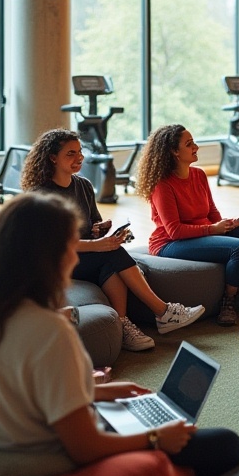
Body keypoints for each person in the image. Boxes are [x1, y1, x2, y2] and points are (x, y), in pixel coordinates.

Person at [0, 193, 239, 476]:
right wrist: (156, 438)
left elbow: (19, 392)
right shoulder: (49, 330)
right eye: (71, 245)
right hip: (22, 462)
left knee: (131, 416)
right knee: (224, 443)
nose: (75, 257)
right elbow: (85, 448)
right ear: (55, 256)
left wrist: (100, 393)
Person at [22, 129, 204, 350]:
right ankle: (163, 312)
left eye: (80, 152)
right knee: (112, 255)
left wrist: (100, 230)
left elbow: (92, 226)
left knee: (112, 263)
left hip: (84, 255)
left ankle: (122, 325)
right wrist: (96, 245)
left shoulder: (84, 186)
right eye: (70, 154)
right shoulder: (41, 195)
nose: (79, 158)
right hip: (55, 262)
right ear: (52, 158)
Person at [136, 124, 239, 327]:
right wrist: (213, 230)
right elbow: (174, 231)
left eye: (194, 142)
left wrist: (226, 225)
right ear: (174, 152)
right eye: (189, 144)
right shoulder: (163, 185)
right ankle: (229, 302)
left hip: (203, 233)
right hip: (169, 243)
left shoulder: (199, 175)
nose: (196, 147)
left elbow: (211, 213)